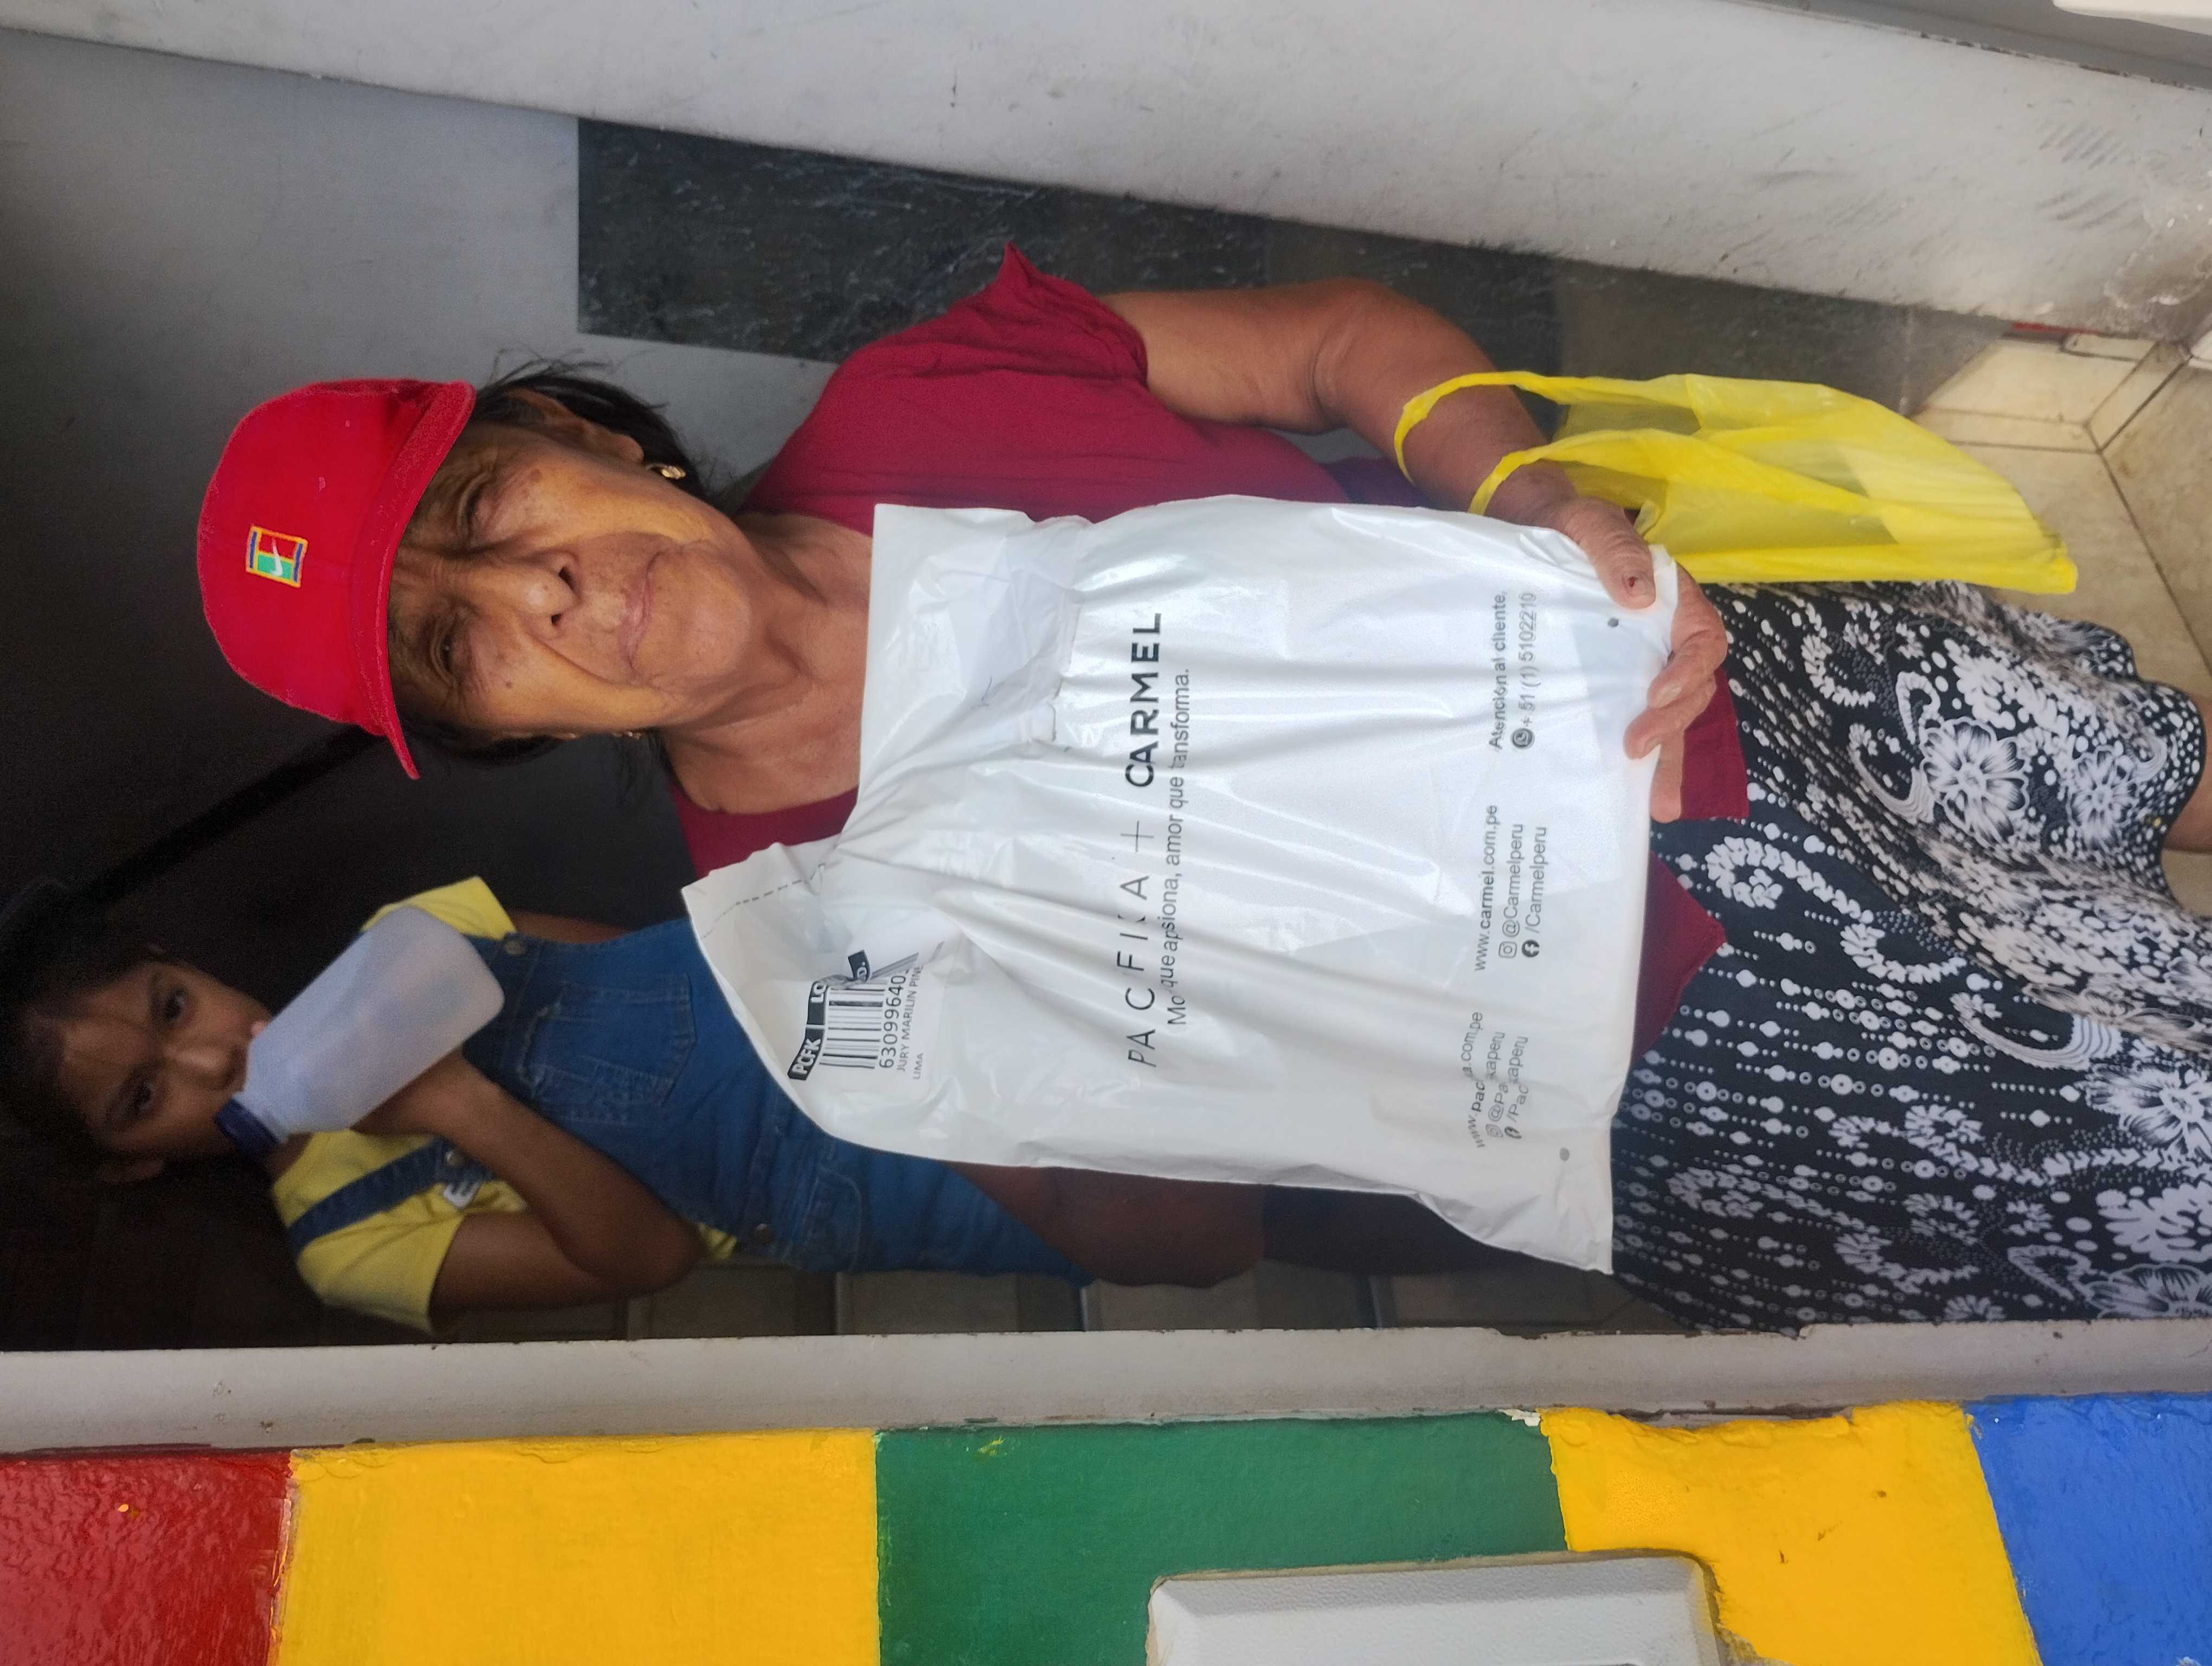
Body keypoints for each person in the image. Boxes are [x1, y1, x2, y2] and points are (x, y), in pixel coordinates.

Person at [196, 249, 2212, 1329]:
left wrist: (1526, 492)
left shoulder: (927, 398)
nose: (543, 593)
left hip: (1740, 699)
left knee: (2161, 776)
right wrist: (1126, 1113)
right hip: (1722, 1081)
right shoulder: (821, 948)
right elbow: (1173, 1239)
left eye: (491, 508)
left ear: (577, 433)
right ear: (515, 733)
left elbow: (1336, 340)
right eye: (462, 644)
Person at [0, 872, 1514, 1334]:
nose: (209, 1059)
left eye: (174, 1009)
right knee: (1221, 1211)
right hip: (847, 1175)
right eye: (146, 1097)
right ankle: (1529, 1216)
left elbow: (659, 978)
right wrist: (460, 1106)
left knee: (1215, 1060)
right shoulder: (345, 1242)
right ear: (134, 1168)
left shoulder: (405, 935)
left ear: (184, 964)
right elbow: (646, 1260)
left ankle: (1515, 1092)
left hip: (856, 1016)